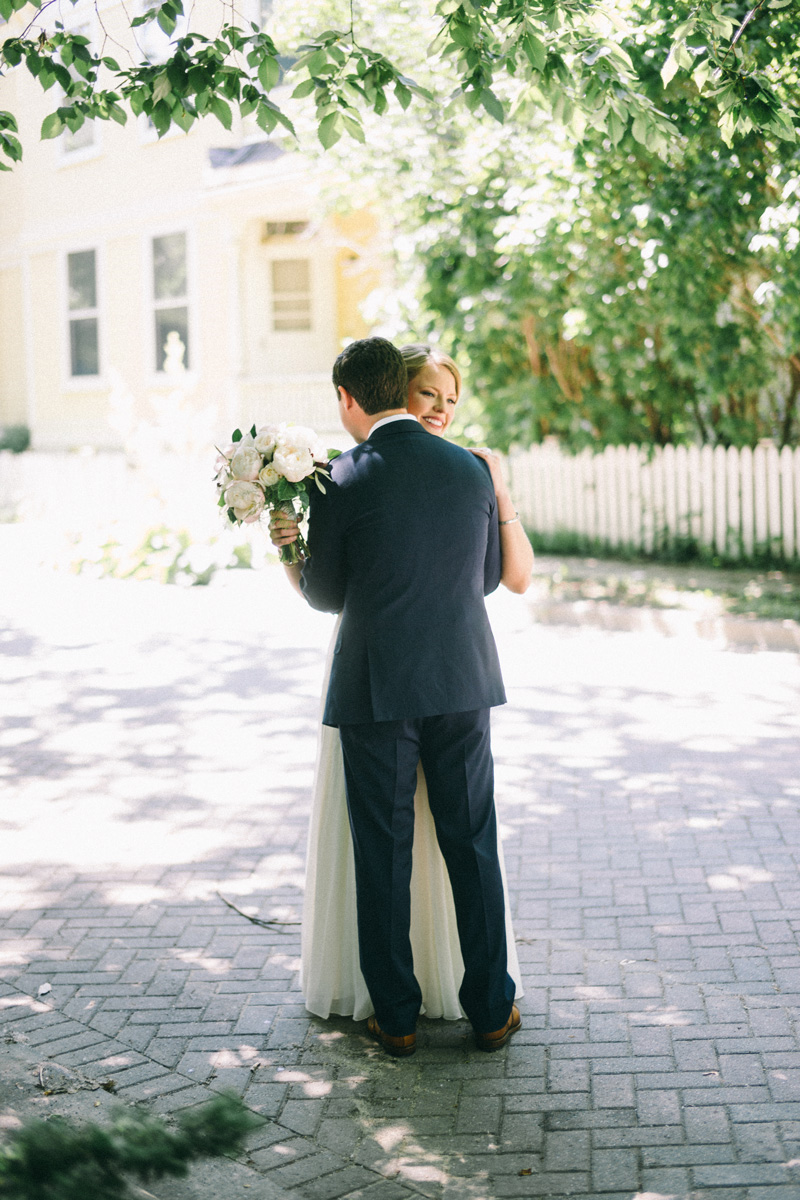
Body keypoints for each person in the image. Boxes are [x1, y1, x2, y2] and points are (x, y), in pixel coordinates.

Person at [271, 339, 532, 1054]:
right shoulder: (471, 468)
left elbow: (326, 597)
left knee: (383, 851)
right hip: (461, 681)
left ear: (348, 400)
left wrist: (289, 547)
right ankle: (489, 1008)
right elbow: (483, 580)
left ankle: (396, 1016)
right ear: (407, 391)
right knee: (471, 844)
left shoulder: (340, 478)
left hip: (376, 686)